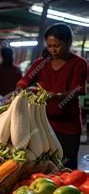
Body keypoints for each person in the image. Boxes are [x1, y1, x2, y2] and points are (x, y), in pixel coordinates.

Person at [16, 23, 88, 169]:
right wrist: (21, 87)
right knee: (43, 166)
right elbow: (26, 79)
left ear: (68, 43)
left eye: (57, 46)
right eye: (49, 46)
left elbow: (77, 90)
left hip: (68, 126)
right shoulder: (41, 63)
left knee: (66, 168)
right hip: (42, 125)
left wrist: (55, 96)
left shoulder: (79, 64)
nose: (52, 50)